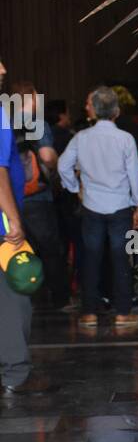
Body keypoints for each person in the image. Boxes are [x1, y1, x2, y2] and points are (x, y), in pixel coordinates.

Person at [58, 85, 138, 328]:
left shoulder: (80, 138)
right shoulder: (125, 139)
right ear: (116, 111)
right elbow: (134, 175)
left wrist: (75, 189)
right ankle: (123, 312)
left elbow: (63, 166)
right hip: (120, 208)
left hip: (91, 207)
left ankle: (89, 313)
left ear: (94, 111)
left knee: (91, 258)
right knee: (122, 257)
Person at [0, 60, 48, 394]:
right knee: (15, 292)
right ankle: (14, 372)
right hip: (2, 224)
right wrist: (14, 218)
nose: (3, 73)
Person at [11, 80, 70, 310]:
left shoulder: (4, 120)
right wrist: (56, 162)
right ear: (32, 98)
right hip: (37, 196)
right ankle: (59, 299)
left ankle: (25, 298)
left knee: (19, 248)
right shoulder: (37, 123)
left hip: (11, 198)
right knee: (50, 248)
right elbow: (46, 156)